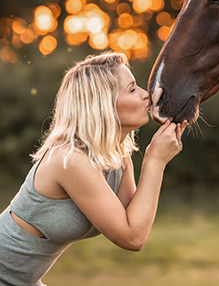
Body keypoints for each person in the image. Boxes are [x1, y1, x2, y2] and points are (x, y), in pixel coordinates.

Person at [0, 52, 187, 286]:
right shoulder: (70, 160)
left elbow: (135, 223)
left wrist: (157, 157)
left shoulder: (118, 156)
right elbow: (132, 238)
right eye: (131, 89)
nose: (145, 94)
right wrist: (155, 161)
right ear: (101, 104)